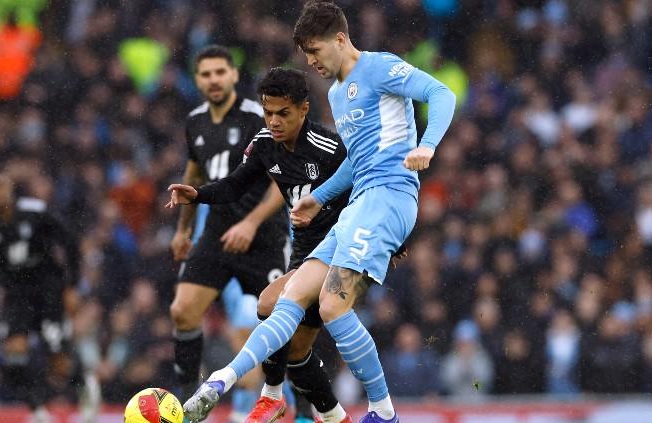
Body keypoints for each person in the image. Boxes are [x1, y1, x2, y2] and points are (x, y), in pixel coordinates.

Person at [182, 1, 456, 422]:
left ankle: (383, 412)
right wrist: (320, 196)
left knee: (331, 307)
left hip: (390, 196)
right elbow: (355, 160)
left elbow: (441, 93)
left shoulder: (380, 67)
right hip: (360, 203)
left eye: (315, 51)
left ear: (340, 39)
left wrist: (428, 145)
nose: (311, 62)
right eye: (306, 54)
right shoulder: (335, 94)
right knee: (283, 301)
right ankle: (222, 380)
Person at [169, 67, 354, 423]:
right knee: (297, 352)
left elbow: (365, 191)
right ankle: (334, 417)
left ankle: (270, 395)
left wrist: (392, 241)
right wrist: (198, 195)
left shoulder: (330, 149)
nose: (274, 121)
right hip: (303, 256)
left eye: (283, 113)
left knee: (270, 305)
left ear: (303, 109)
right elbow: (235, 186)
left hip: (338, 252)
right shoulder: (265, 145)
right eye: (268, 112)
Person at [168, 45, 289, 418]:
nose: (213, 80)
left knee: (283, 327)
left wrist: (251, 222)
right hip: (218, 233)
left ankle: (283, 399)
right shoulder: (195, 122)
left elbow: (283, 181)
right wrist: (183, 230)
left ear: (234, 75)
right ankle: (188, 404)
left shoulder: (257, 118)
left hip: (263, 235)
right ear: (197, 79)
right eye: (205, 74)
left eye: (220, 72)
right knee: (183, 311)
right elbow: (194, 175)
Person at [0, 173, 100, 423]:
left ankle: (85, 383)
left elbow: (69, 241)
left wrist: (72, 286)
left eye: (1, 187)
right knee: (14, 351)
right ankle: (37, 410)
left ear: (11, 189)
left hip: (47, 288)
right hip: (16, 293)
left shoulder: (35, 212)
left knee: (57, 358)